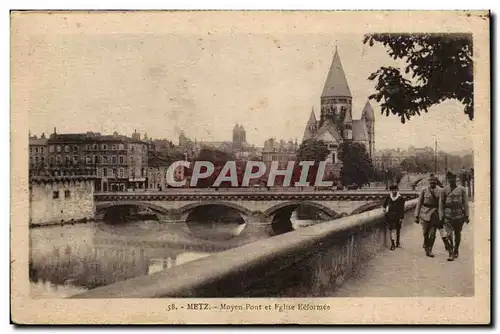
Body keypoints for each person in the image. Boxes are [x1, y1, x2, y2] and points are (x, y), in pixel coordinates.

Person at [415, 175, 454, 260]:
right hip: (424, 213)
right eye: (431, 182)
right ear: (429, 182)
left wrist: (441, 216)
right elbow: (419, 203)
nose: (432, 183)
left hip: (435, 213)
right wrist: (416, 215)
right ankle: (427, 244)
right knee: (425, 232)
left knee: (434, 233)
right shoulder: (424, 190)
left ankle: (430, 250)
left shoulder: (440, 191)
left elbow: (441, 204)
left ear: (436, 182)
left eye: (434, 181)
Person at [443, 173, 469, 259]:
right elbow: (441, 204)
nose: (451, 181)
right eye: (450, 179)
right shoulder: (444, 190)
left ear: (455, 179)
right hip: (448, 215)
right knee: (449, 234)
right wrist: (441, 216)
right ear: (447, 180)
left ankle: (456, 250)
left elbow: (465, 204)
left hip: (459, 215)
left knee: (457, 234)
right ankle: (451, 251)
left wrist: (467, 215)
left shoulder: (462, 189)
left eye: (453, 179)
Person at [383, 185, 406, 250]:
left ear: (397, 190)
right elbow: (384, 205)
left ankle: (398, 243)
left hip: (398, 216)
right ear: (391, 190)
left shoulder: (400, 198)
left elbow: (402, 208)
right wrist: (385, 210)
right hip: (390, 216)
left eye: (395, 190)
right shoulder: (389, 197)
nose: (394, 191)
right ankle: (393, 244)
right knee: (392, 230)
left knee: (398, 230)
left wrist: (401, 217)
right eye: (392, 190)